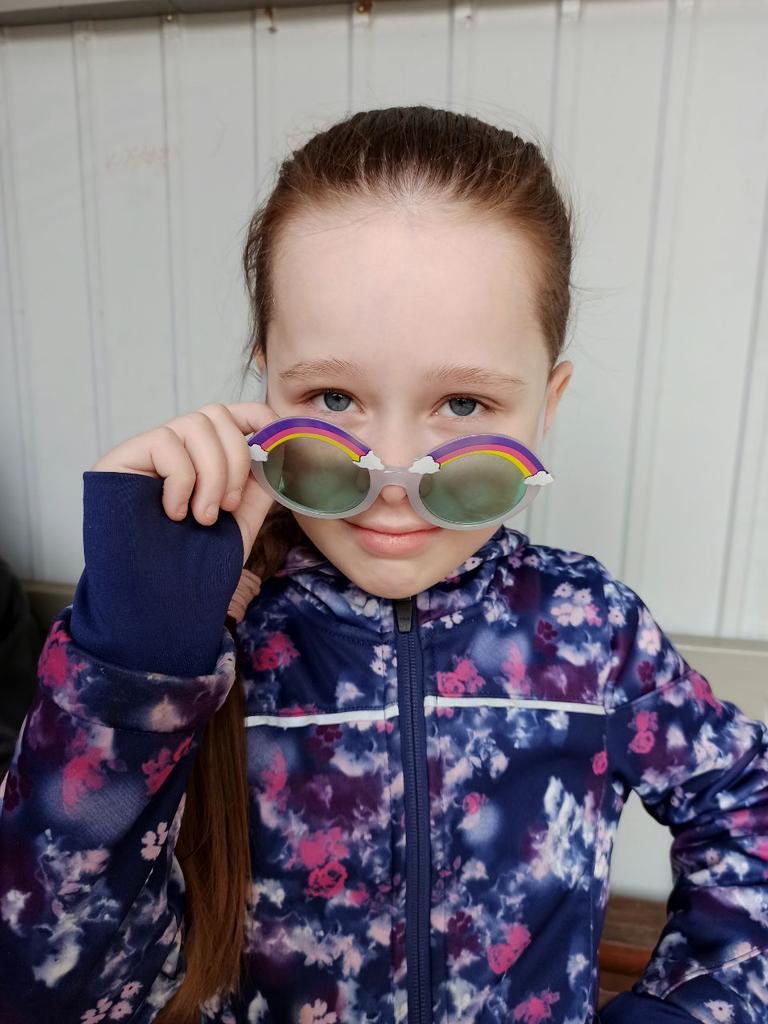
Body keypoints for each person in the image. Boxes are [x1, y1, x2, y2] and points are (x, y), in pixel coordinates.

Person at [0, 106, 765, 1024]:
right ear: (266, 380)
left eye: (464, 403)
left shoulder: (591, 632)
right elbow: (49, 989)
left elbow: (749, 810)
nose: (393, 478)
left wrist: (695, 1009)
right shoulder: (206, 642)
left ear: (548, 402)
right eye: (333, 396)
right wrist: (132, 671)